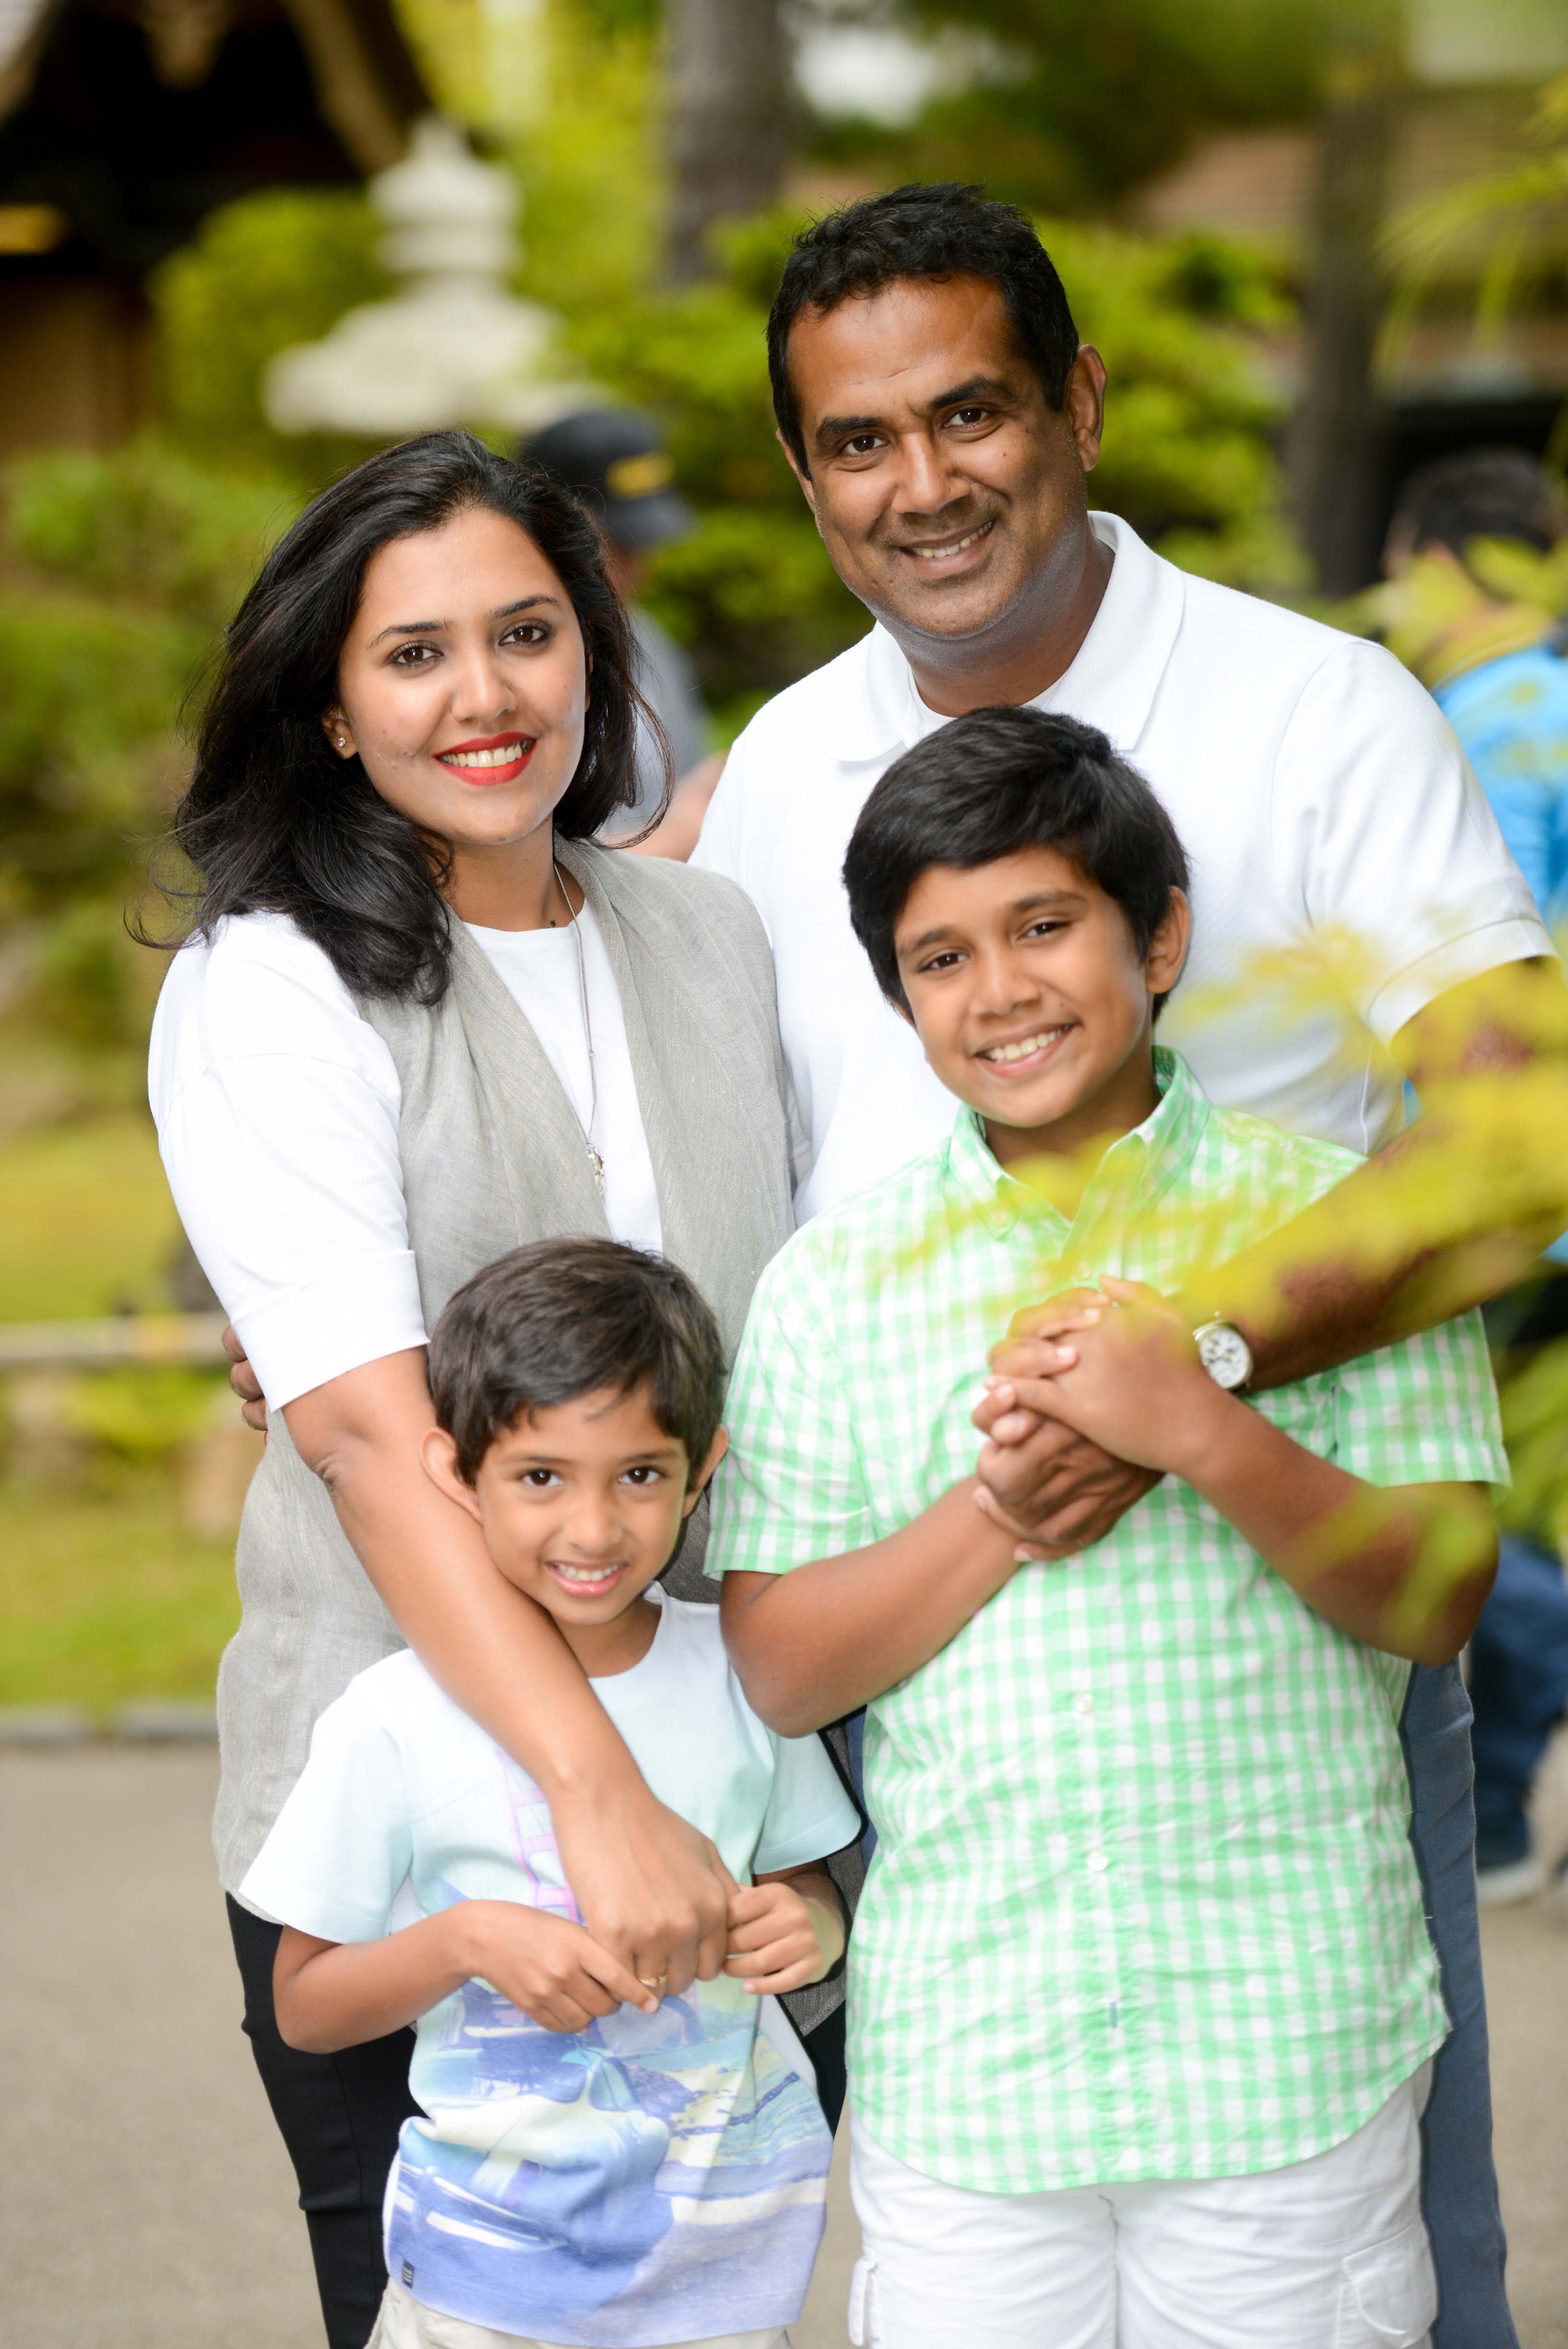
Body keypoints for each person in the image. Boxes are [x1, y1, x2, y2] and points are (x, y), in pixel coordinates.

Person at [690, 182, 1568, 2347]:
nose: (924, 483)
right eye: (858, 443)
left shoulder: (1316, 708)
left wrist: (1206, 1362)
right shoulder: (780, 772)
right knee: (969, 2230)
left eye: (970, 410)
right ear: (803, 478)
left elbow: (1519, 1130)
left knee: (1366, 2250)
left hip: (1289, 1637)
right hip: (933, 1655)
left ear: (1075, 401)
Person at [145, 430, 854, 2349]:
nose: (484, 695)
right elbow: (373, 1433)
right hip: (417, 1818)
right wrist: (588, 1791)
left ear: (595, 647)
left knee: (722, 2296)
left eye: (528, 631)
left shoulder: (707, 935)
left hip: (734, 1790)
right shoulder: (274, 981)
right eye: (414, 653)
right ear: (331, 703)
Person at [712, 706, 1504, 2348]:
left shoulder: (1335, 1232)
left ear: (1158, 934)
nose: (997, 989)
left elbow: (1434, 1598)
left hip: (1287, 2041)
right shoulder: (829, 1282)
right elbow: (781, 1669)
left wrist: (1198, 1425)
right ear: (896, 997)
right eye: (937, 957)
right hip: (973, 2072)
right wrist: (1003, 1505)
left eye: (1044, 924)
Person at [243, 1239, 858, 2349]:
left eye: (638, 1473)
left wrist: (804, 1925)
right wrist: (468, 1939)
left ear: (703, 1463)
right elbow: (304, 2003)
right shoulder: (391, 1717)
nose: (591, 1528)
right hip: (480, 2290)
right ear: (452, 1471)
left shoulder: (737, 1668)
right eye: (539, 1476)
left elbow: (805, 1881)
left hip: (725, 2278)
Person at [1383, 450, 1568, 1904]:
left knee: (1467, 1503)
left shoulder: (1456, 742)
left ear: (1437, 565)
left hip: (1507, 1197)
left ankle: (1501, 1806)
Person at [1384, 448, 1568, 935]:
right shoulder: (1552, 694)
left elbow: (1503, 948)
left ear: (1438, 570)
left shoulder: (1487, 724)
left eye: (1395, 578)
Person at [523, 409, 725, 854]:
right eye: (615, 544)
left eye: (642, 546)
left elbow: (690, 776)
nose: (635, 571)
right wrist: (675, 840)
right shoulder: (505, 669)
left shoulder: (647, 639)